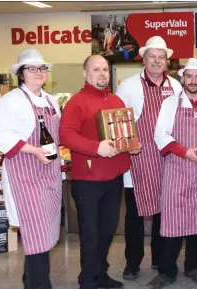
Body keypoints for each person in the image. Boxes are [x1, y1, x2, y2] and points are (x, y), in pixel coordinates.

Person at [148, 58, 197, 288]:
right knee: (172, 224)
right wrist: (185, 152)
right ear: (182, 78)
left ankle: (192, 267)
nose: (193, 81)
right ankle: (167, 271)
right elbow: (160, 135)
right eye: (189, 76)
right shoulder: (170, 103)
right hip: (177, 170)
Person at [59, 55, 138, 289]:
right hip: (88, 181)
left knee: (107, 230)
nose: (102, 74)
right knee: (90, 234)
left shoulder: (116, 99)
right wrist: (96, 148)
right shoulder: (77, 102)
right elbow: (66, 136)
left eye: (105, 69)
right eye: (96, 69)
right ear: (85, 74)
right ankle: (88, 280)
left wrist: (132, 144)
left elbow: (123, 133)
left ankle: (100, 274)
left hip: (114, 178)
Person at [0, 49, 62, 289]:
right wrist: (34, 151)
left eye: (41, 68)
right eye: (31, 69)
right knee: (37, 232)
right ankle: (38, 285)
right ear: (21, 74)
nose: (38, 73)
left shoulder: (51, 101)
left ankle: (29, 278)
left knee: (46, 230)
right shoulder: (11, 100)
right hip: (25, 175)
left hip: (49, 174)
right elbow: (0, 135)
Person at [116, 35, 182, 280]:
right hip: (139, 159)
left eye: (161, 57)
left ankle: (160, 258)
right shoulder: (129, 86)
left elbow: (181, 122)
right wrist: (128, 144)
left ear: (167, 61)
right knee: (135, 213)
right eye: (152, 57)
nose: (156, 61)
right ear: (144, 59)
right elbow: (119, 121)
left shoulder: (175, 86)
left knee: (164, 212)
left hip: (167, 159)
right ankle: (132, 262)